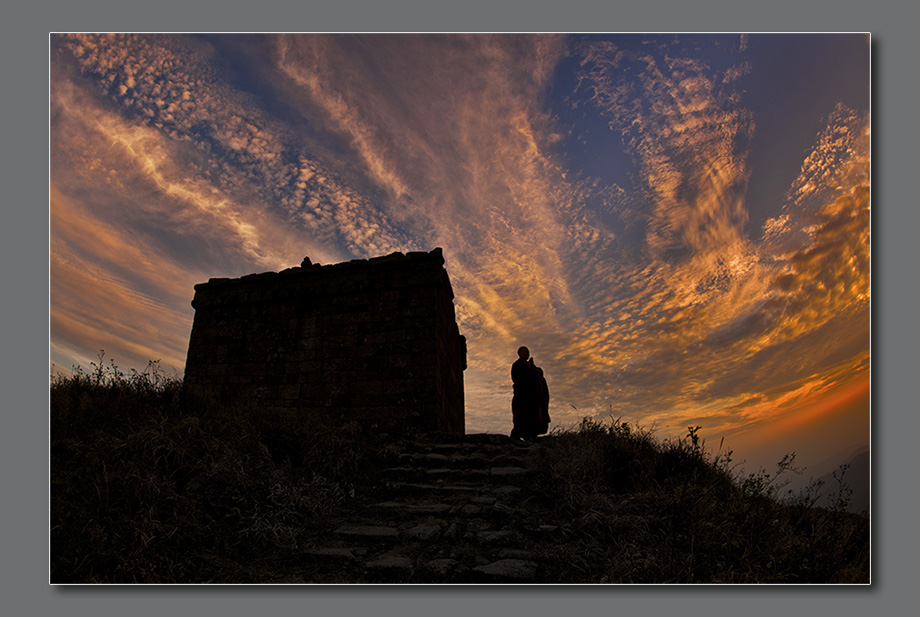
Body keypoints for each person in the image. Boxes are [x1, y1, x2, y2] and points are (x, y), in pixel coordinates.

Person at [511, 346, 549, 441]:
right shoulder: (517, 365)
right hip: (522, 397)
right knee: (521, 417)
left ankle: (531, 435)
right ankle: (518, 435)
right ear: (519, 354)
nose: (526, 354)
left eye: (527, 352)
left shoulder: (532, 367)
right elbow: (516, 378)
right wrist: (527, 369)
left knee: (533, 417)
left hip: (532, 398)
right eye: (524, 352)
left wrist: (535, 370)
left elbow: (537, 377)